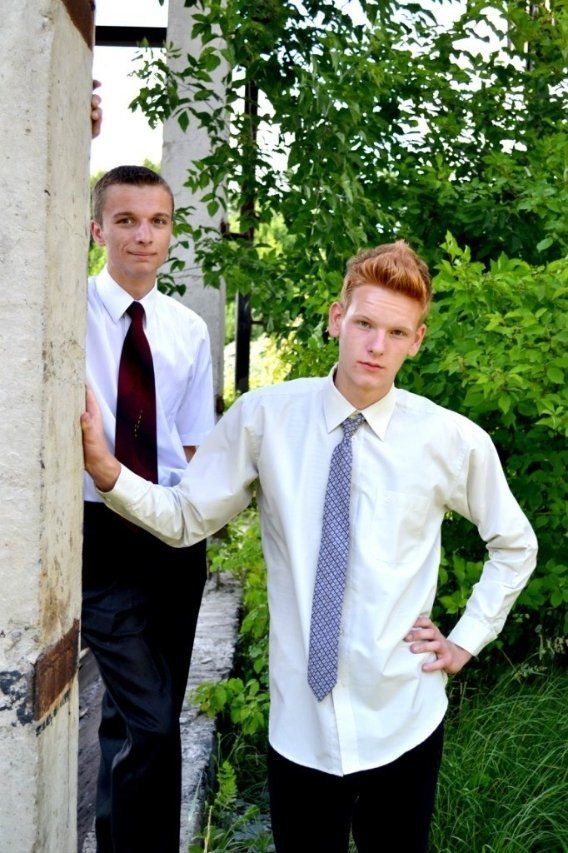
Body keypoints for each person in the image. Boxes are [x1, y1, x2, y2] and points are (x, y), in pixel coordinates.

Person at [81, 240, 537, 852]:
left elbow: (514, 544)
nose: (377, 346)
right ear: (336, 318)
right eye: (365, 323)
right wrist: (106, 471)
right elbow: (188, 517)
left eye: (397, 333)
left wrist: (465, 639)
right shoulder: (265, 419)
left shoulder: (450, 441)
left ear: (417, 341)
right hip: (301, 728)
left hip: (402, 716)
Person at [82, 165, 214, 852]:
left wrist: (188, 520)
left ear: (170, 232)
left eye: (157, 221)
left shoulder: (187, 329)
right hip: (97, 532)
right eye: (126, 220)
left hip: (171, 534)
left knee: (136, 718)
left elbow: (191, 446)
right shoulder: (64, 314)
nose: (143, 235)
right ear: (96, 229)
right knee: (153, 722)